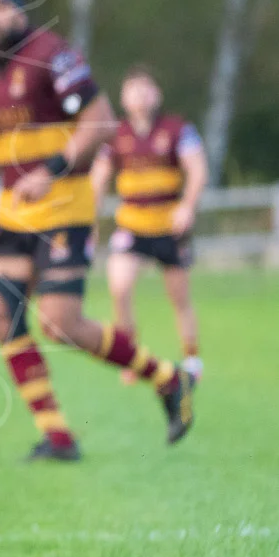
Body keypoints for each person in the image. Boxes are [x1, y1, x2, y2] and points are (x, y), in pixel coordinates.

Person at [0, 0, 196, 461]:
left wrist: (55, 168)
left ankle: (168, 380)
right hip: (17, 212)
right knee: (0, 314)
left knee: (61, 324)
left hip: (67, 205)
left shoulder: (51, 54)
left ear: (20, 10)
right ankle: (58, 436)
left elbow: (101, 121)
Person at [90, 67, 208, 382]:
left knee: (179, 297)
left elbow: (197, 169)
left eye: (146, 88)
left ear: (157, 94)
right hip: (132, 226)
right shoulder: (114, 135)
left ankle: (192, 358)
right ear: (123, 98)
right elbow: (98, 178)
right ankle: (133, 356)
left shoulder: (177, 128)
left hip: (169, 225)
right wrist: (89, 216)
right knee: (120, 287)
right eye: (133, 90)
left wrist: (187, 206)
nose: (140, 95)